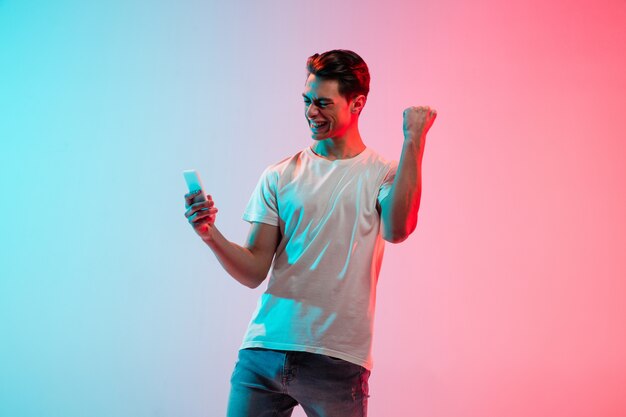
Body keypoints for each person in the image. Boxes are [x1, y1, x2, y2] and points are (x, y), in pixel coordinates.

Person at [184, 49, 437, 417]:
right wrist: (210, 235)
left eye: (322, 103)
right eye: (306, 101)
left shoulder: (382, 174)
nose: (311, 112)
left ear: (357, 103)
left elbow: (398, 229)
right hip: (263, 353)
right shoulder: (279, 174)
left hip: (336, 361)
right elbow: (255, 269)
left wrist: (413, 140)